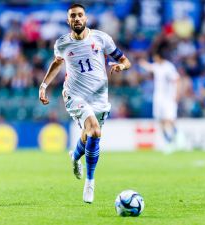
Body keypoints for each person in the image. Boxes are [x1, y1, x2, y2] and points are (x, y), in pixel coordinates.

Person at [39, 3, 131, 203]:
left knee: (87, 136)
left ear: (86, 18)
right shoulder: (62, 43)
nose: (77, 19)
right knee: (95, 131)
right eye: (73, 16)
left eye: (80, 15)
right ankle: (90, 182)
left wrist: (120, 67)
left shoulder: (101, 38)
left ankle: (75, 157)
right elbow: (57, 62)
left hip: (98, 97)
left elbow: (125, 60)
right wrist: (44, 85)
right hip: (74, 95)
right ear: (68, 20)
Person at [139, 48, 180, 153]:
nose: (154, 58)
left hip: (168, 97)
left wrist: (176, 93)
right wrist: (141, 62)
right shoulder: (157, 66)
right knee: (160, 120)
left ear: (159, 57)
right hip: (158, 97)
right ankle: (168, 141)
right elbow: (149, 67)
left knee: (169, 119)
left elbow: (176, 79)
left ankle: (177, 136)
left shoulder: (169, 67)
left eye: (155, 56)